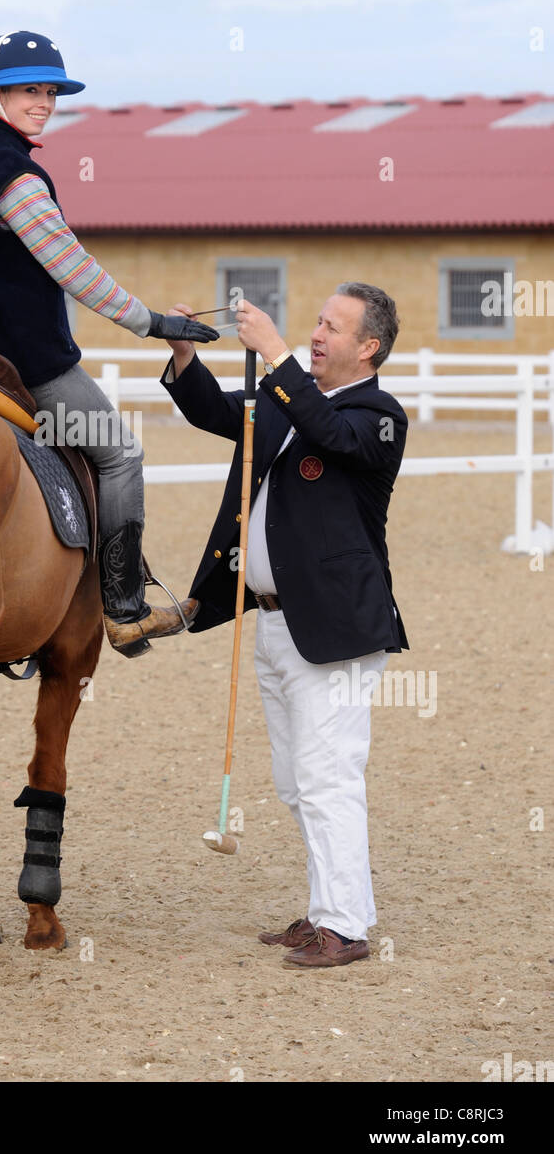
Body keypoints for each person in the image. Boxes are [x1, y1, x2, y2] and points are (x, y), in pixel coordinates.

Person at [0, 30, 220, 656]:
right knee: (122, 454)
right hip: (15, 359)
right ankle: (125, 608)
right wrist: (151, 322)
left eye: (50, 92)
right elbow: (72, 268)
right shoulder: (16, 175)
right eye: (29, 90)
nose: (44, 102)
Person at [161, 283, 408, 967]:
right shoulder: (288, 402)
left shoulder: (378, 415)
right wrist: (184, 356)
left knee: (329, 776)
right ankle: (327, 906)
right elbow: (216, 411)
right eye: (317, 323)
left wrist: (272, 350)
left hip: (336, 629)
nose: (318, 334)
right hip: (274, 623)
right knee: (297, 780)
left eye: (335, 327)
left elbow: (330, 435)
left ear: (370, 347)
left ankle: (346, 927)